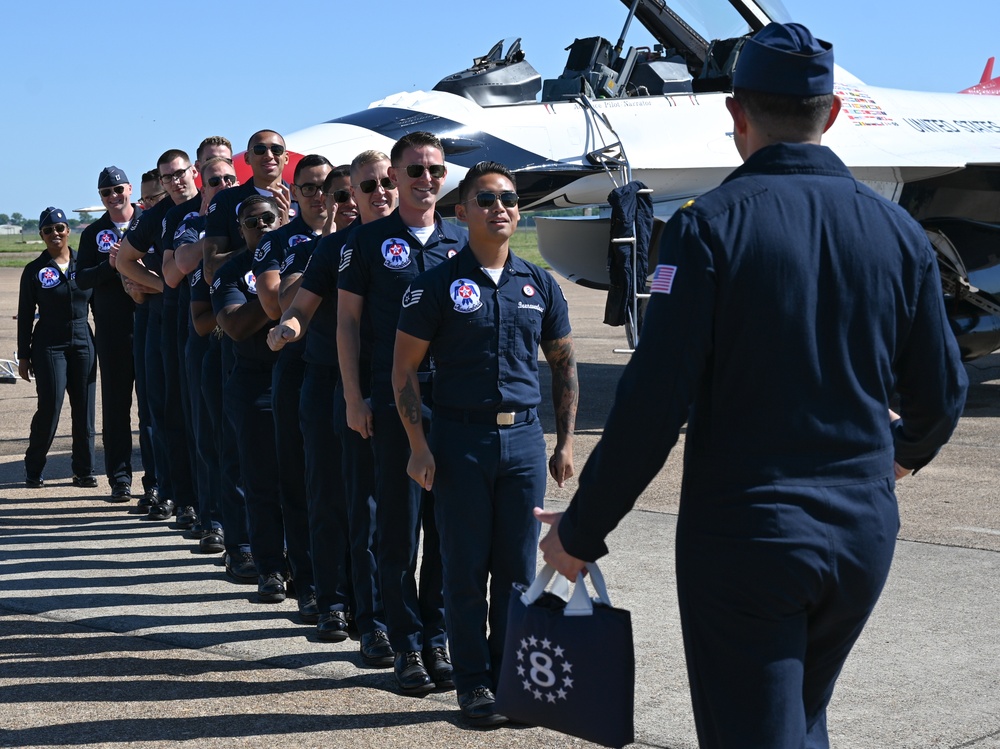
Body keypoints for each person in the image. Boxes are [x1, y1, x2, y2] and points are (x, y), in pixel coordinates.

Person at [537, 23, 969, 749]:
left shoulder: (709, 228)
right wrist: (892, 459)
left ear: (736, 113)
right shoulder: (897, 233)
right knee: (799, 720)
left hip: (750, 541)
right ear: (830, 114)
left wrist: (582, 531)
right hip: (861, 536)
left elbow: (653, 404)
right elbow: (941, 394)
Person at [393, 160, 578, 726]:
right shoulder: (435, 285)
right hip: (458, 440)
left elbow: (564, 367)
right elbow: (403, 373)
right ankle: (473, 683)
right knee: (465, 569)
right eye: (488, 199)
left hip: (523, 441)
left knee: (518, 570)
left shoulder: (538, 281)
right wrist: (418, 445)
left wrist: (565, 443)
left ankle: (510, 679)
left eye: (509, 199)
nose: (502, 208)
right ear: (462, 212)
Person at [337, 131, 465, 694]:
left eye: (434, 170)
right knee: (399, 527)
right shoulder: (367, 244)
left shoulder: (464, 240)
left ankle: (439, 637)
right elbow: (346, 324)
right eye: (412, 171)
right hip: (394, 401)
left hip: (457, 404)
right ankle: (406, 644)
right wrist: (351, 396)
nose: (423, 180)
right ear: (395, 174)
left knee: (446, 529)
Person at [268, 149, 396, 659]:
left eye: (358, 191)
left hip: (394, 385)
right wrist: (286, 329)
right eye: (341, 193)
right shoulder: (331, 251)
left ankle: (384, 608)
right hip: (328, 383)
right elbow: (297, 308)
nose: (350, 201)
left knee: (386, 509)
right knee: (329, 496)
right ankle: (333, 600)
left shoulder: (414, 244)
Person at [253, 153, 333, 624]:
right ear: (294, 191)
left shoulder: (355, 239)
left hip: (343, 370)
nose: (320, 196)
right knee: (298, 479)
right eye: (308, 187)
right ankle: (305, 580)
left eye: (328, 187)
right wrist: (318, 265)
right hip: (296, 368)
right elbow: (272, 303)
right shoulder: (279, 242)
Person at [212, 195, 291, 604]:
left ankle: (302, 563)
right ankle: (270, 567)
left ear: (281, 219)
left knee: (302, 482)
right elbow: (236, 325)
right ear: (240, 229)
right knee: (259, 481)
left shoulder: (302, 254)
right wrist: (277, 296)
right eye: (250, 221)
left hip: (298, 378)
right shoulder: (231, 271)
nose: (260, 226)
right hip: (255, 382)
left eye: (267, 218)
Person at [17, 207, 97, 488]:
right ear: (41, 234)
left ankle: (84, 470)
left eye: (60, 228)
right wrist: (24, 357)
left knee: (85, 410)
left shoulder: (85, 264)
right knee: (50, 407)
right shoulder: (34, 271)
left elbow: (99, 306)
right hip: (48, 342)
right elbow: (26, 314)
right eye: (48, 230)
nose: (55, 234)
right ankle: (34, 467)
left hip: (82, 339)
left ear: (68, 230)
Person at [76, 166, 138, 501]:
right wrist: (109, 266)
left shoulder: (149, 222)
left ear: (129, 188)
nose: (114, 197)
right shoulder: (93, 234)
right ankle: (120, 478)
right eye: (106, 193)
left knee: (156, 409)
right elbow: (81, 278)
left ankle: (158, 480)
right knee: (116, 409)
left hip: (150, 327)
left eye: (118, 190)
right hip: (113, 332)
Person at [203, 129, 292, 282]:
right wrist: (258, 243)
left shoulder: (304, 197)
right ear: (247, 158)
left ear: (286, 157)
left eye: (276, 149)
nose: (269, 155)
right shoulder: (226, 201)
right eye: (259, 149)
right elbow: (210, 271)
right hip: (243, 298)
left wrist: (286, 232)